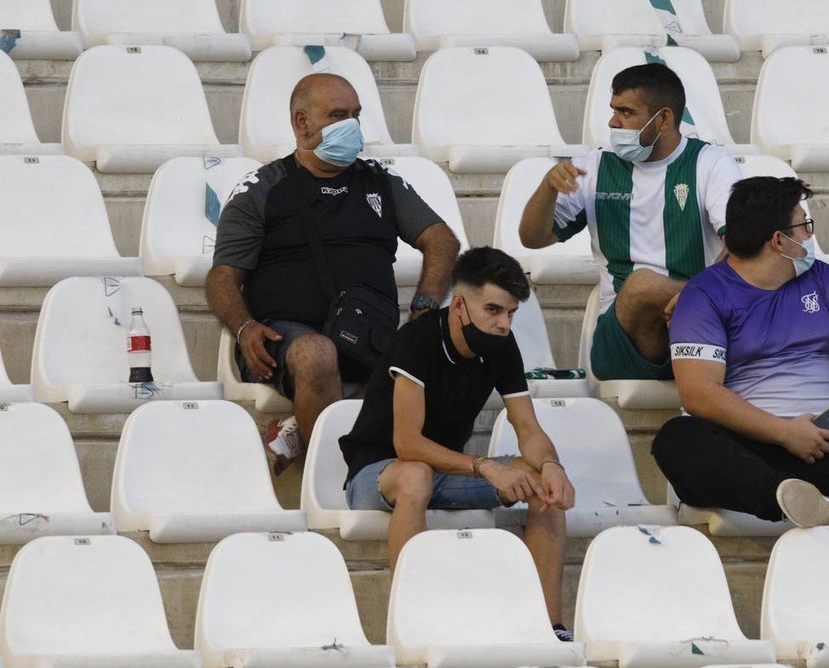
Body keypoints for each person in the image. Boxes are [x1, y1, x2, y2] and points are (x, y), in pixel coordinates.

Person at [207, 73, 460, 474]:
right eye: (338, 115)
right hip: (285, 339)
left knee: (441, 352)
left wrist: (425, 309)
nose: (352, 126)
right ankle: (330, 474)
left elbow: (442, 241)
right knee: (316, 353)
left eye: (356, 115)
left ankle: (302, 429)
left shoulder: (381, 182)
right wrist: (243, 327)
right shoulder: (262, 188)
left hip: (368, 334)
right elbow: (222, 277)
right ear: (302, 122)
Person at [651, 176, 829, 550]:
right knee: (676, 441)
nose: (809, 236)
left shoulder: (820, 278)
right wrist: (784, 432)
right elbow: (698, 393)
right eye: (804, 226)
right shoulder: (704, 294)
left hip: (822, 439)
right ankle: (785, 497)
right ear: (779, 240)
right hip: (745, 445)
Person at [339, 247, 576, 639]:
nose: (504, 323)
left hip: (444, 473)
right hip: (379, 471)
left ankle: (549, 627)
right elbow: (408, 444)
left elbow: (529, 430)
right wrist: (484, 466)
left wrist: (552, 467)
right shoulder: (416, 340)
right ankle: (409, 624)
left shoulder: (502, 345)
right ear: (460, 306)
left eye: (511, 313)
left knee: (540, 481)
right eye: (494, 310)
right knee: (416, 476)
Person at [518, 63, 741, 381]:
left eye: (625, 112)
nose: (613, 121)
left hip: (699, 322)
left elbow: (739, 242)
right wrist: (547, 188)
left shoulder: (710, 163)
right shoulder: (594, 167)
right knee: (641, 285)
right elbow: (532, 238)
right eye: (613, 110)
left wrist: (693, 299)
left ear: (663, 118)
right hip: (621, 337)